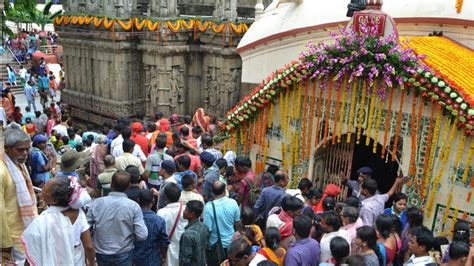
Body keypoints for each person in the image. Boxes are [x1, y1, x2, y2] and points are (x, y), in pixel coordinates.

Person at [21, 177, 95, 265]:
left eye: (45, 190)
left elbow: (32, 252)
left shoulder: (42, 221)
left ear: (54, 200)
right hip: (77, 259)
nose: (41, 191)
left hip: (52, 259)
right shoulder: (79, 213)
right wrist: (91, 263)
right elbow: (89, 247)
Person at [86, 170, 148, 265]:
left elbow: (85, 227)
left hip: (101, 253)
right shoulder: (133, 206)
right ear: (128, 186)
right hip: (124, 252)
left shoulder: (96, 203)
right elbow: (142, 235)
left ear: (111, 184)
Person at [1, 129, 38, 265]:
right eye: (20, 150)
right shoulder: (2, 172)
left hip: (25, 229)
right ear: (7, 148)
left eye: (27, 149)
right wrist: (5, 244)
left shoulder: (19, 164)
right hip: (12, 236)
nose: (25, 153)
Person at [204, 180, 241, 266]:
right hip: (231, 244)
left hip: (215, 246)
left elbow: (207, 231)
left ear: (212, 192)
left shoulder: (209, 207)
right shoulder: (233, 203)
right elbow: (237, 223)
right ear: (225, 190)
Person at [133, 190, 169, 266]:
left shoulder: (131, 218)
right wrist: (164, 257)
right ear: (152, 201)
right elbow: (163, 243)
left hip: (134, 259)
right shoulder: (159, 220)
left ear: (138, 200)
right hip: (153, 260)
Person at [157, 182, 188, 266]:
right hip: (185, 249)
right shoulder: (186, 210)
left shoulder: (161, 213)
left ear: (166, 197)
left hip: (167, 251)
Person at [179, 200, 209, 266]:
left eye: (186, 210)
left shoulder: (187, 235)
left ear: (192, 214)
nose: (183, 212)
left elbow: (185, 259)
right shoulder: (204, 227)